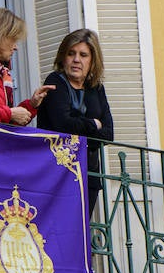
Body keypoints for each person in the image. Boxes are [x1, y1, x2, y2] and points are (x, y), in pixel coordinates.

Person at [38, 28, 114, 212]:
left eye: (83, 55)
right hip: (58, 172)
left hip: (89, 175)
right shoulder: (55, 81)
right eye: (71, 53)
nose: (76, 60)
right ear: (63, 57)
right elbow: (63, 125)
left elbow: (109, 133)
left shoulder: (95, 88)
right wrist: (93, 124)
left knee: (80, 233)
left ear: (92, 60)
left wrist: (82, 128)